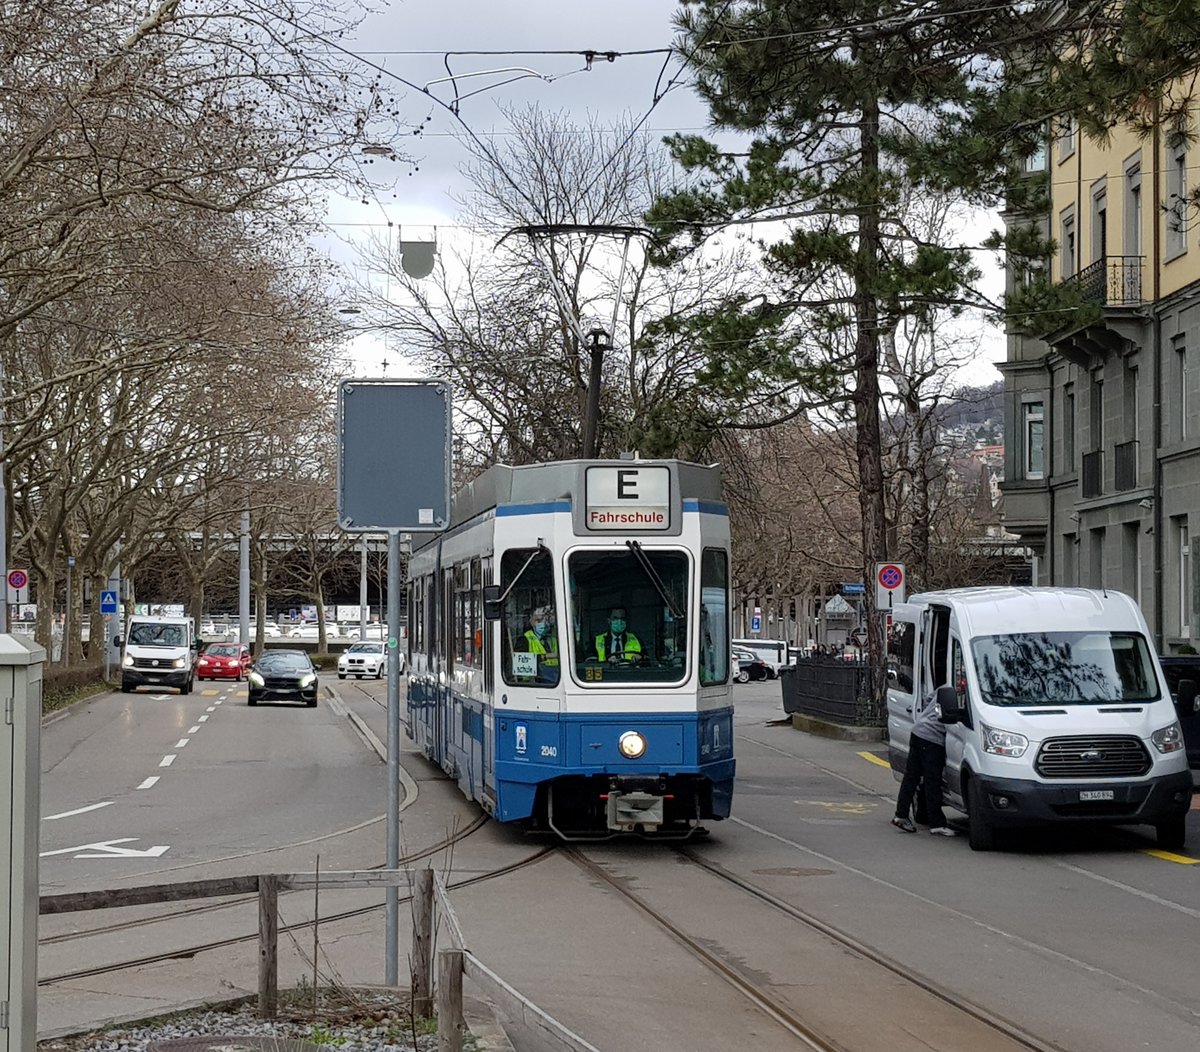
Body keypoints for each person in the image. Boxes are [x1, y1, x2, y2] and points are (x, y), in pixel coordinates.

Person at [892, 686, 957, 837]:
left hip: (919, 730)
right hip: (932, 737)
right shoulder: (964, 691)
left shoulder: (947, 686)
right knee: (932, 780)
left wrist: (929, 715)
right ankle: (937, 824)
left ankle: (901, 814)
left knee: (911, 777)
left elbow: (928, 699)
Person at [518, 604, 559, 681]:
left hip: (556, 679)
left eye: (546, 620)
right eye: (538, 620)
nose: (543, 624)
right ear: (531, 622)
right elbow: (520, 664)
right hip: (533, 683)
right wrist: (546, 656)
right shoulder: (524, 640)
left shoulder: (556, 639)